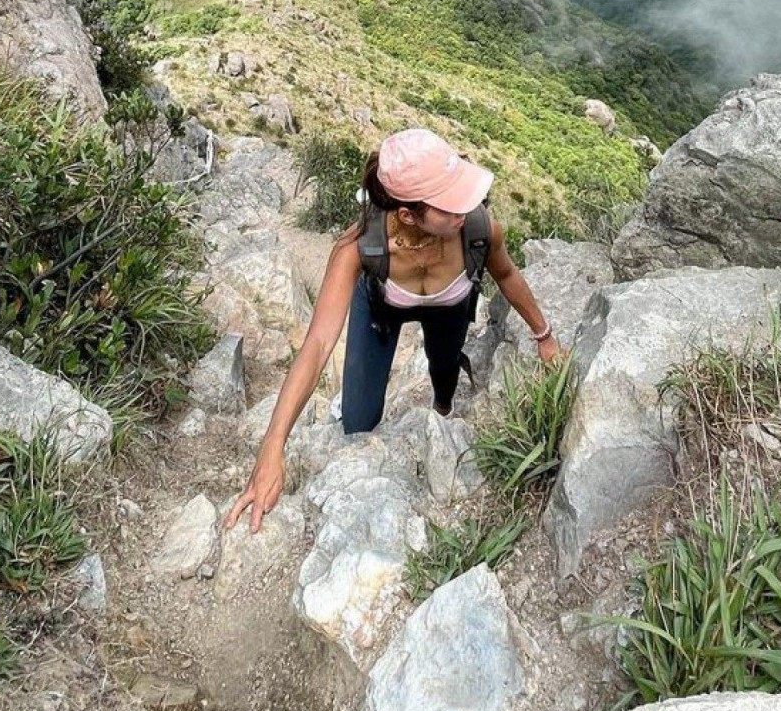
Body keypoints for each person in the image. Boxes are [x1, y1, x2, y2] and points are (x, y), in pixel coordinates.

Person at [227, 127, 563, 533]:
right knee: (358, 420)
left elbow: (506, 274)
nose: (466, 210)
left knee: (444, 375)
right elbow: (316, 344)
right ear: (407, 215)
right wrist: (272, 447)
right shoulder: (357, 249)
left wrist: (544, 337)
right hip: (383, 307)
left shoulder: (478, 230)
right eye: (450, 206)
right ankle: (356, 405)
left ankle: (442, 407)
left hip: (450, 307)